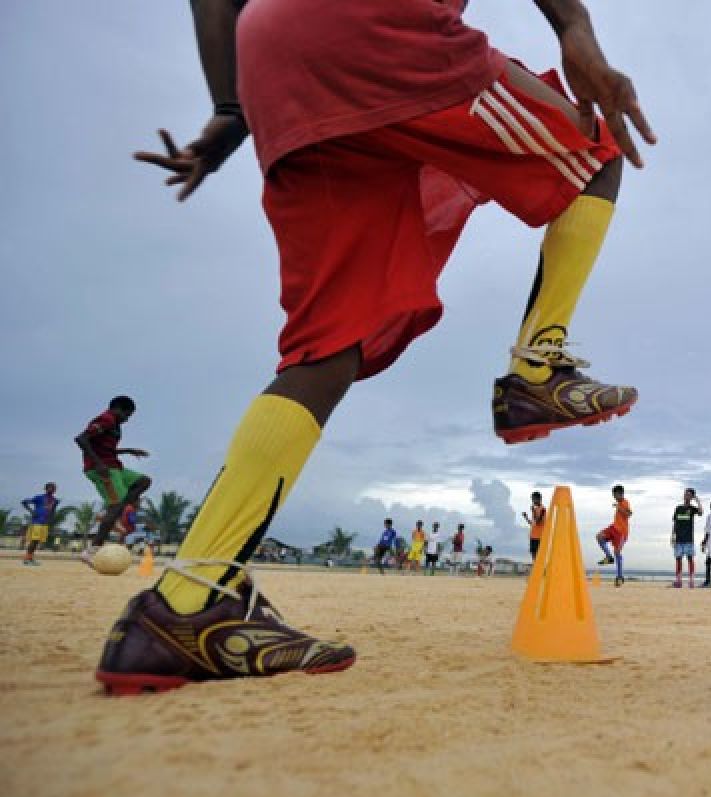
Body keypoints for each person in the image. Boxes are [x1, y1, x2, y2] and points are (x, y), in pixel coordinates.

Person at [95, 0, 653, 693]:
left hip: (275, 67)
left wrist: (232, 108)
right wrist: (577, 33)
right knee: (590, 149)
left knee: (327, 345)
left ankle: (182, 605)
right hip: (378, 30)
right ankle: (538, 367)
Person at [75, 396, 152, 570]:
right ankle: (92, 550)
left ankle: (117, 509)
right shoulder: (106, 419)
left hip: (115, 467)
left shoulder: (115, 424)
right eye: (127, 415)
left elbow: (103, 447)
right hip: (102, 469)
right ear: (118, 409)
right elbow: (81, 439)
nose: (127, 419)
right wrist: (98, 463)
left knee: (143, 481)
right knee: (116, 506)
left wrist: (128, 450)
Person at [596, 484, 632, 586]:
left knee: (617, 552)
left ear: (620, 494)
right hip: (613, 528)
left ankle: (619, 576)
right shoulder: (619, 503)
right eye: (613, 495)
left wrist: (619, 507)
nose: (614, 497)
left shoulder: (625, 502)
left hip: (621, 533)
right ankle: (608, 557)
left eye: (615, 495)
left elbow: (629, 514)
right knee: (599, 536)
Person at [669, 488, 702, 588]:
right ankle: (678, 581)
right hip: (678, 538)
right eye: (685, 494)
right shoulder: (678, 508)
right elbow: (675, 522)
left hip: (688, 539)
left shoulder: (692, 509)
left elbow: (700, 512)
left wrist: (697, 500)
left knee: (690, 559)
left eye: (688, 495)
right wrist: (672, 535)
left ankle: (691, 581)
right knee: (678, 559)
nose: (686, 496)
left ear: (691, 497)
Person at [20, 482, 59, 566]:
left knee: (37, 541)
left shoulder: (55, 500)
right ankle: (27, 559)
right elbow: (24, 502)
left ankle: (30, 558)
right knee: (34, 541)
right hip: (36, 522)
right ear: (45, 488)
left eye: (53, 488)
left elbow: (53, 512)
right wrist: (31, 511)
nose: (52, 489)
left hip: (45, 524)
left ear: (55, 490)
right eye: (50, 487)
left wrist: (51, 520)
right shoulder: (39, 497)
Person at [523, 491, 547, 561]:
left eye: (534, 499)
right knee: (533, 554)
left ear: (539, 499)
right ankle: (535, 569)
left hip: (539, 537)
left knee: (538, 555)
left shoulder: (543, 510)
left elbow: (538, 522)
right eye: (532, 499)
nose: (533, 501)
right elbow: (533, 524)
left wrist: (533, 511)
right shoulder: (535, 509)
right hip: (533, 536)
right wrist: (526, 517)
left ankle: (539, 569)